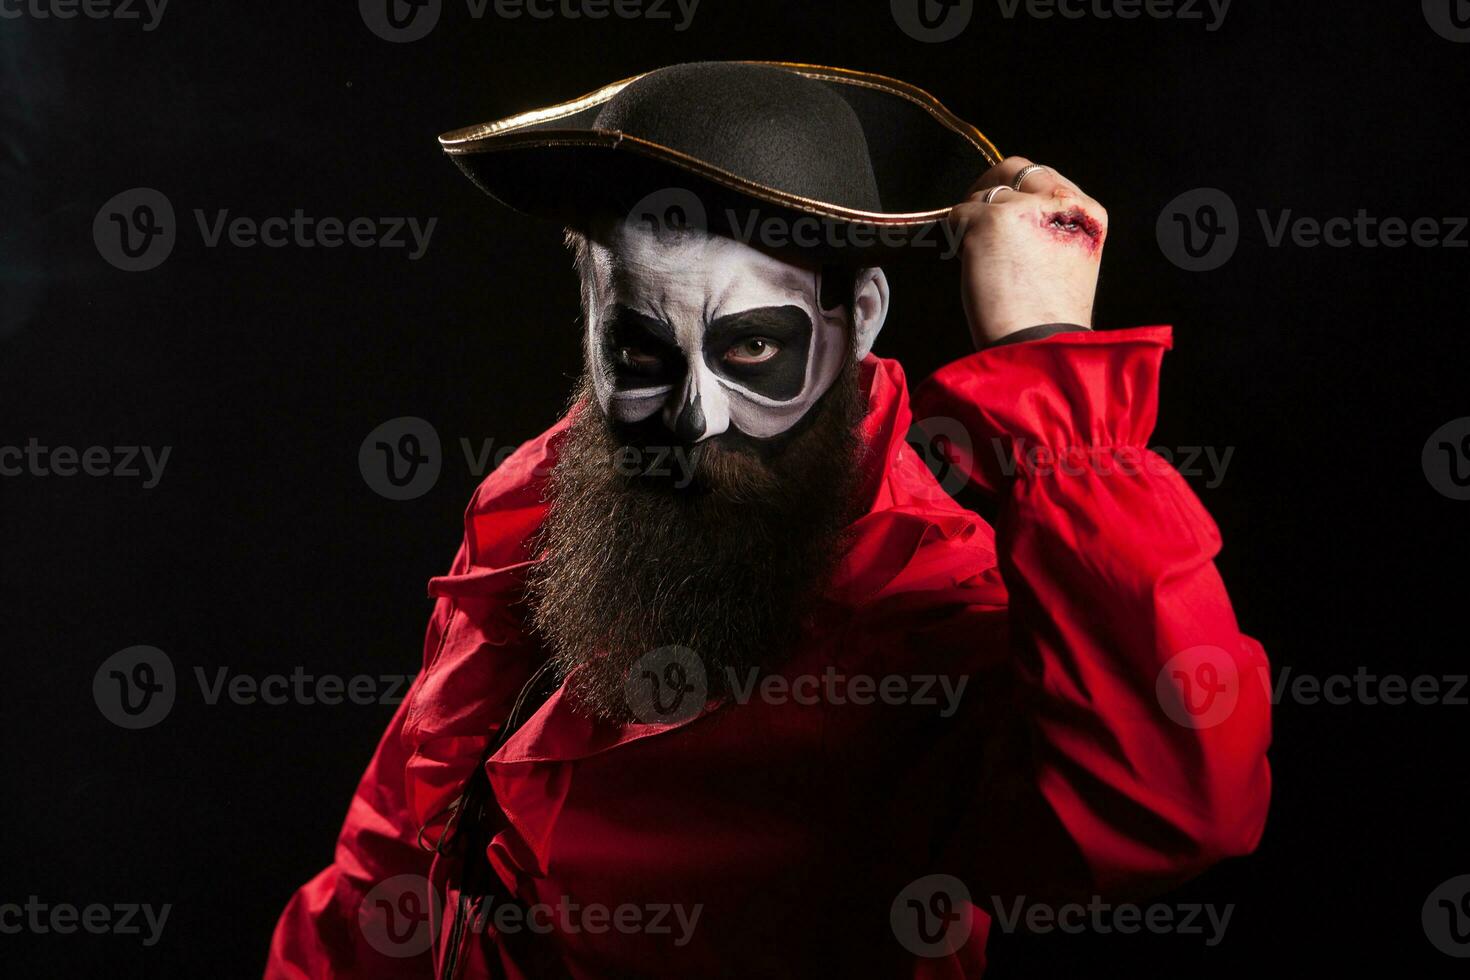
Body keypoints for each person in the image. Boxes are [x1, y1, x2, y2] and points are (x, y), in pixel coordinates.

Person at [266, 61, 1272, 979]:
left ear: (857, 321)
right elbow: (387, 860)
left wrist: (1048, 355)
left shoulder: (923, 595)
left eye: (751, 350)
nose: (693, 415)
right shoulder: (539, 510)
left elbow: (1173, 800)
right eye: (641, 350)